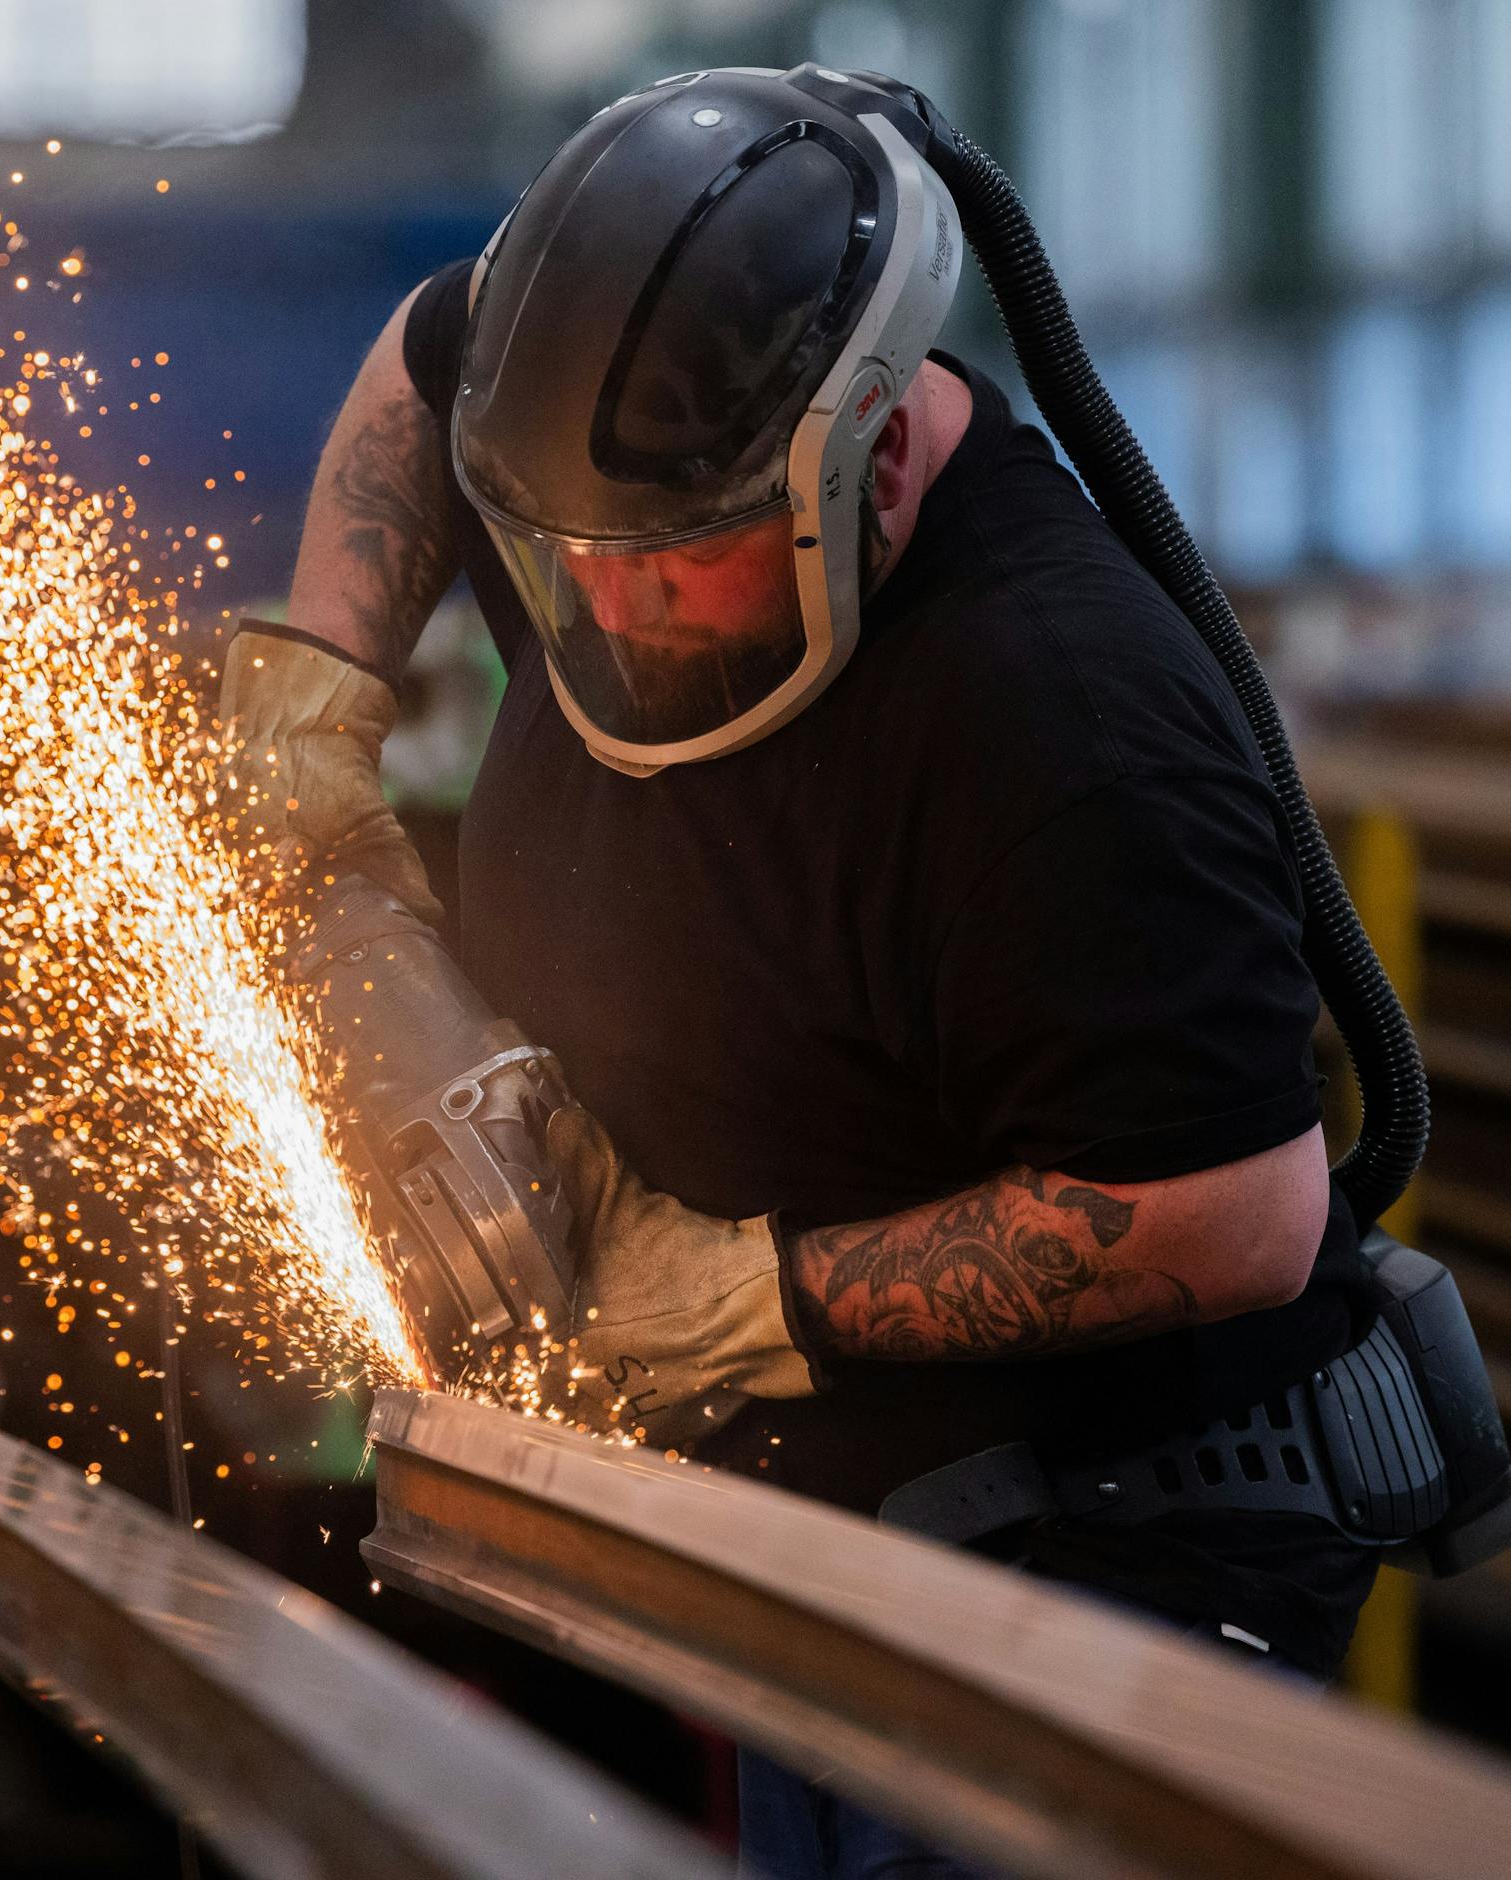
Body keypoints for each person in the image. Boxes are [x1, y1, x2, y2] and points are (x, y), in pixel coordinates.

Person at [222, 65, 1383, 1878]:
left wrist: (746, 1303)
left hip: (1090, 1563)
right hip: (832, 1514)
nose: (605, 611)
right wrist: (321, 694)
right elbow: (432, 351)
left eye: (678, 562)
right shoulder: (613, 427)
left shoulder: (1069, 720)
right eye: (572, 552)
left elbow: (1235, 1209)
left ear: (873, 451)